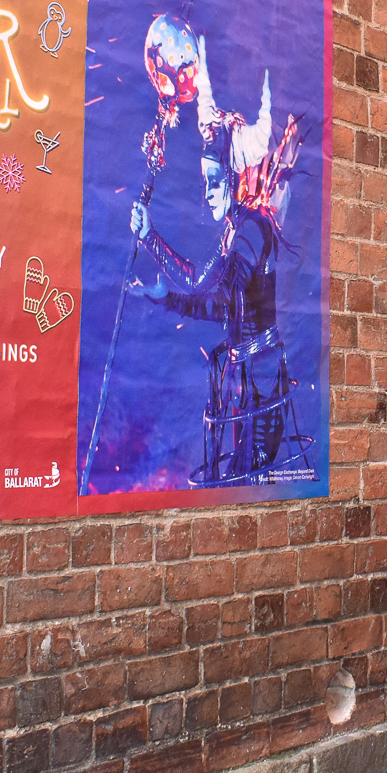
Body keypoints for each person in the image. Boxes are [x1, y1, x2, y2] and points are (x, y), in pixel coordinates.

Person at [128, 69, 309, 486]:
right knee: (237, 478)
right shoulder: (233, 230)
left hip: (261, 382)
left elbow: (210, 292)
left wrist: (154, 249)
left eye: (213, 182)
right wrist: (162, 287)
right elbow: (209, 293)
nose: (206, 192)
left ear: (230, 177)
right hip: (244, 382)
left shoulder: (250, 229)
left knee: (249, 481)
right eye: (204, 182)